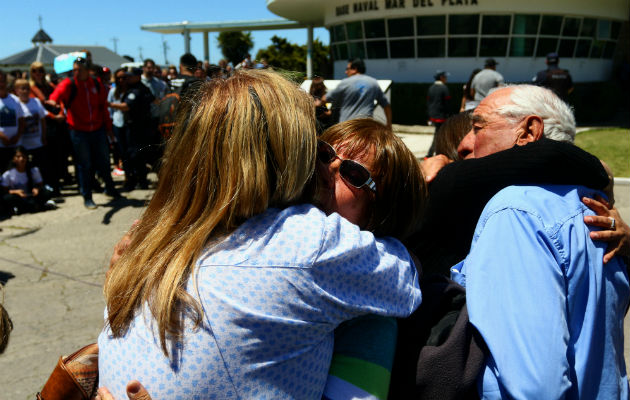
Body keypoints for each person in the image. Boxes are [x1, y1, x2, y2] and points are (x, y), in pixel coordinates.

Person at [98, 70, 422, 399]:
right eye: (320, 151)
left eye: (354, 173)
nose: (327, 169)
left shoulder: (153, 239)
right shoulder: (306, 242)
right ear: (285, 154)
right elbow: (405, 281)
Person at [446, 85, 629, 398]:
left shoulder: (514, 210)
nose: (465, 144)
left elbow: (537, 386)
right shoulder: (596, 208)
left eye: (478, 127)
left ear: (529, 132)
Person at [47, 57, 122, 209]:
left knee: (104, 161)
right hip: (78, 131)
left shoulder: (95, 83)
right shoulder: (69, 83)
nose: (76, 72)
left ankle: (110, 189)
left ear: (87, 70)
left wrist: (108, 129)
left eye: (79, 69)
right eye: (74, 69)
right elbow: (56, 94)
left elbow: (103, 107)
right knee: (84, 165)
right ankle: (87, 196)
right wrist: (53, 101)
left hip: (98, 129)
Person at [29, 61, 68, 195]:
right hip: (43, 125)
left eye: (40, 70)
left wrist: (62, 113)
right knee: (47, 158)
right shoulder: (31, 89)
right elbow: (37, 108)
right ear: (31, 73)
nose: (38, 73)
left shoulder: (50, 86)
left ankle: (58, 182)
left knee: (59, 155)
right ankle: (51, 185)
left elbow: (60, 99)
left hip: (57, 124)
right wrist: (53, 116)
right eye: (35, 71)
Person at [327, 58, 392, 127]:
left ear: (354, 69)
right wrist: (388, 125)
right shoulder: (373, 83)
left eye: (347, 69)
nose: (346, 72)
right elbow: (386, 106)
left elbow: (325, 98)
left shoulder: (345, 83)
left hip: (347, 127)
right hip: (365, 127)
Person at [1, 146, 55, 214]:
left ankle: (32, 207)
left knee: (47, 191)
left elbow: (40, 184)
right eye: (18, 157)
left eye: (23, 156)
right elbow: (4, 190)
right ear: (13, 159)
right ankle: (35, 207)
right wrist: (16, 192)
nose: (21, 159)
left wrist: (36, 189)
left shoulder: (34, 170)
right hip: (19, 198)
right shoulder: (8, 174)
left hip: (31, 196)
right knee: (8, 198)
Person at [14, 79, 47, 179]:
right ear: (16, 91)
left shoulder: (35, 101)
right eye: (22, 89)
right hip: (23, 144)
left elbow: (43, 120)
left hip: (37, 142)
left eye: (27, 88)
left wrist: (44, 136)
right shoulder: (15, 104)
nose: (25, 91)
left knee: (41, 167)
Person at [0, 70, 25, 173]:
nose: (1, 84)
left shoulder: (15, 100)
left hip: (15, 147)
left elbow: (22, 121)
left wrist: (17, 136)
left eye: (3, 81)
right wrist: (2, 137)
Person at [425, 70, 451, 157]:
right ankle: (431, 154)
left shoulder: (431, 88)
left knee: (439, 134)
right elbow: (447, 104)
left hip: (432, 115)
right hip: (441, 116)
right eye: (445, 77)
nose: (446, 79)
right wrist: (449, 116)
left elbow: (428, 102)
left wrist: (429, 116)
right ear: (441, 78)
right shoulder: (444, 88)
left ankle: (436, 153)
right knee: (439, 135)